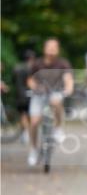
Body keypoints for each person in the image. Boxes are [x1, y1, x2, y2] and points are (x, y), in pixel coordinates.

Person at [27, 38, 74, 166]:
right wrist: (35, 87)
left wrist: (68, 89)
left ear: (58, 49)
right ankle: (33, 149)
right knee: (34, 123)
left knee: (56, 101)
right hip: (39, 95)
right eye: (49, 47)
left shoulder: (63, 64)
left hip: (55, 93)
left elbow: (68, 78)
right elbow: (30, 80)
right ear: (44, 48)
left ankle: (58, 128)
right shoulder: (37, 64)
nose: (52, 50)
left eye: (54, 47)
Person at [13, 50, 35, 144]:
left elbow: (13, 80)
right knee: (29, 115)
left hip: (19, 94)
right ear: (31, 58)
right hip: (29, 94)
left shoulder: (16, 68)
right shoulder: (31, 68)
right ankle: (27, 134)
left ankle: (24, 134)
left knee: (22, 115)